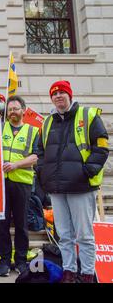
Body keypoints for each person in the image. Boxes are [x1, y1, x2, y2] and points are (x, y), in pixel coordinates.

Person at [36, 80, 109, 283]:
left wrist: (87, 171)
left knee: (84, 236)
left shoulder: (88, 116)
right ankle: (68, 272)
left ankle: (87, 274)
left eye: (62, 92)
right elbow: (39, 152)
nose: (58, 96)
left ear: (70, 95)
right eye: (54, 93)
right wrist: (42, 172)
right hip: (57, 188)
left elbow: (101, 146)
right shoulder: (47, 122)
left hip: (81, 186)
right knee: (64, 235)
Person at [0, 95, 39, 277]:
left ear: (23, 110)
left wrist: (16, 164)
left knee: (21, 224)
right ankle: (4, 261)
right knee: (2, 224)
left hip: (22, 182)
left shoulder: (33, 131)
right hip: (1, 183)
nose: (13, 111)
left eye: (16, 108)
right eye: (10, 109)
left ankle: (21, 261)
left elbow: (36, 156)